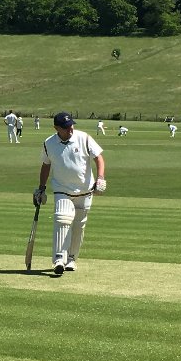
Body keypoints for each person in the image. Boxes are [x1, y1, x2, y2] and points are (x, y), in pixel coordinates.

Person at [34, 112, 106, 274]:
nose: (70, 129)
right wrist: (41, 187)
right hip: (62, 190)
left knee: (79, 226)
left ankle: (71, 259)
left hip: (85, 191)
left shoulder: (84, 138)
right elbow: (46, 165)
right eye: (66, 127)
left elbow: (99, 158)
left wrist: (100, 178)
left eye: (71, 125)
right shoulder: (49, 143)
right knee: (62, 218)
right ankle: (59, 259)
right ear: (56, 128)